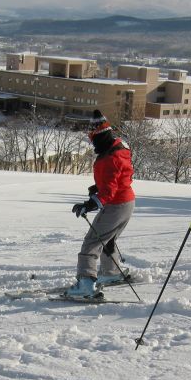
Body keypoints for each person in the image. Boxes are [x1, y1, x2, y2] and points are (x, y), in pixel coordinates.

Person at [65, 110, 135, 298]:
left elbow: (109, 191)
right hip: (127, 202)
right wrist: (99, 186)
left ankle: (86, 285)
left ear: (101, 137)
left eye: (93, 139)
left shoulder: (110, 158)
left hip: (116, 205)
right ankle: (111, 273)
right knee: (108, 239)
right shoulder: (119, 148)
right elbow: (119, 177)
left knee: (91, 243)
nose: (92, 143)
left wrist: (90, 204)